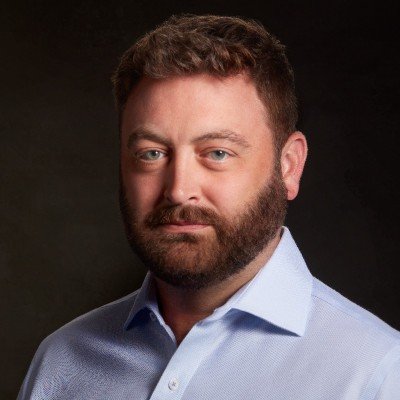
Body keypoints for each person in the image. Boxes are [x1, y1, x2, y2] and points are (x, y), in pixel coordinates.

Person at [18, 14, 400, 400]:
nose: (179, 190)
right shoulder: (62, 363)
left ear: (288, 166)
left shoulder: (376, 373)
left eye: (217, 152)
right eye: (151, 153)